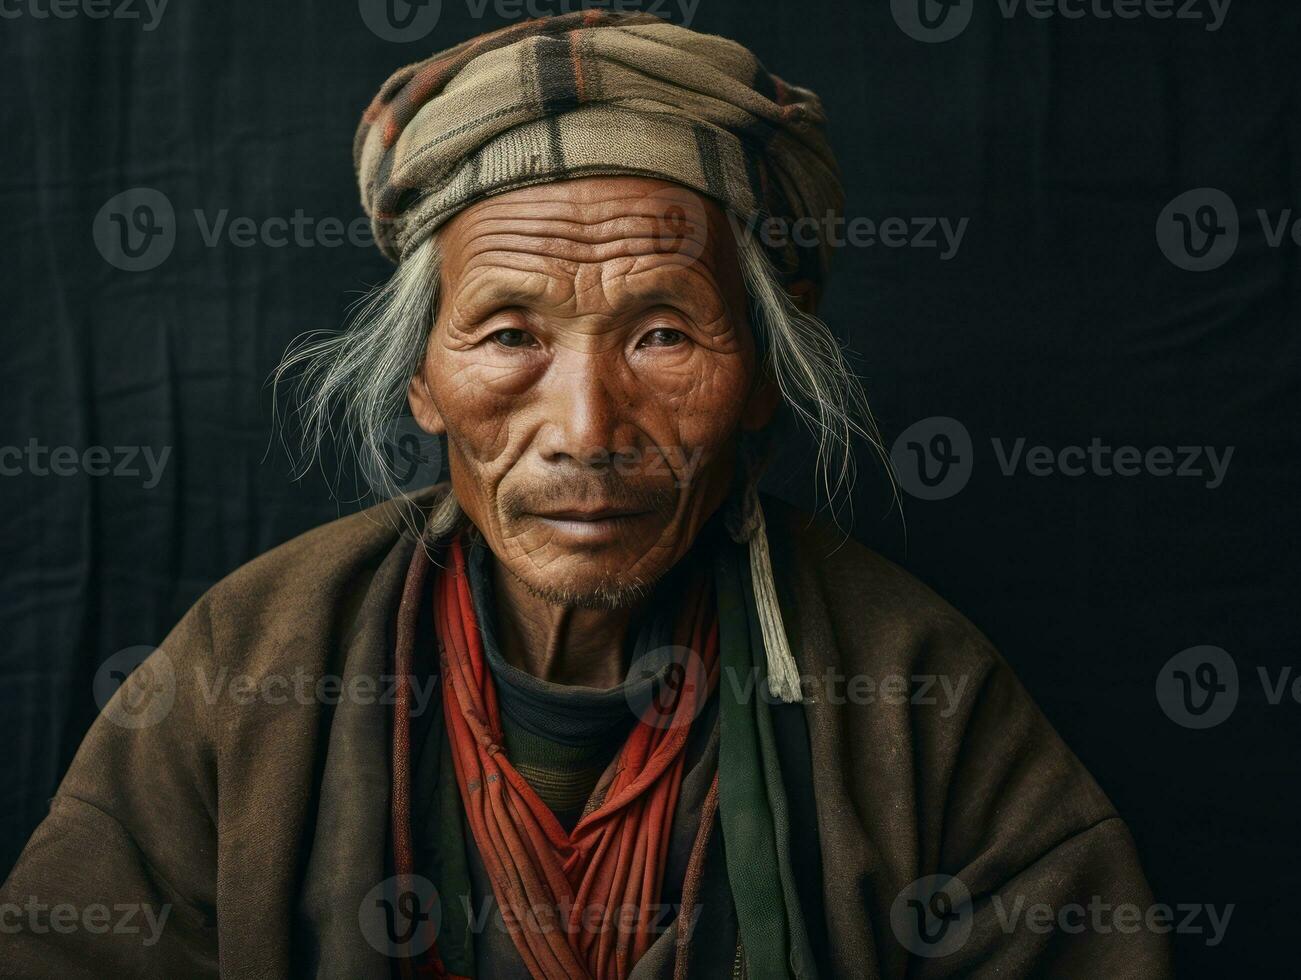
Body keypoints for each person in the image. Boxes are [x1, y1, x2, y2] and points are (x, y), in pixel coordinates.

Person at [1, 12, 1171, 979]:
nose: (586, 428)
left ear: (760, 374)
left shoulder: (911, 688)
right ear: (421, 377)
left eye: (662, 333)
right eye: (508, 332)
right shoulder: (249, 660)